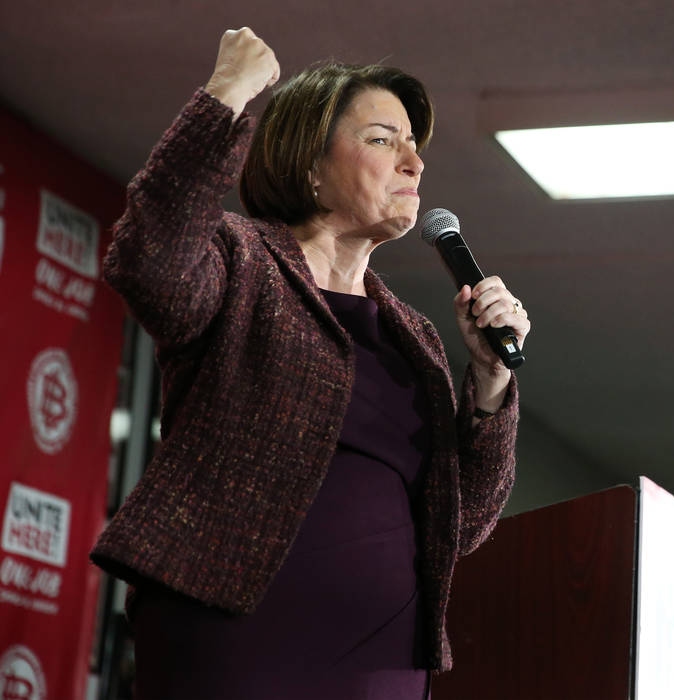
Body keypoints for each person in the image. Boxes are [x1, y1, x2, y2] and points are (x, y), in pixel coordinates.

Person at [90, 27, 530, 700]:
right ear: (311, 167)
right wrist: (225, 94)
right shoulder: (241, 259)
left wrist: (492, 383)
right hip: (234, 637)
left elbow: (462, 522)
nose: (414, 163)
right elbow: (147, 261)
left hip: (382, 656)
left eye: (415, 145)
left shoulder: (415, 336)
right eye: (383, 139)